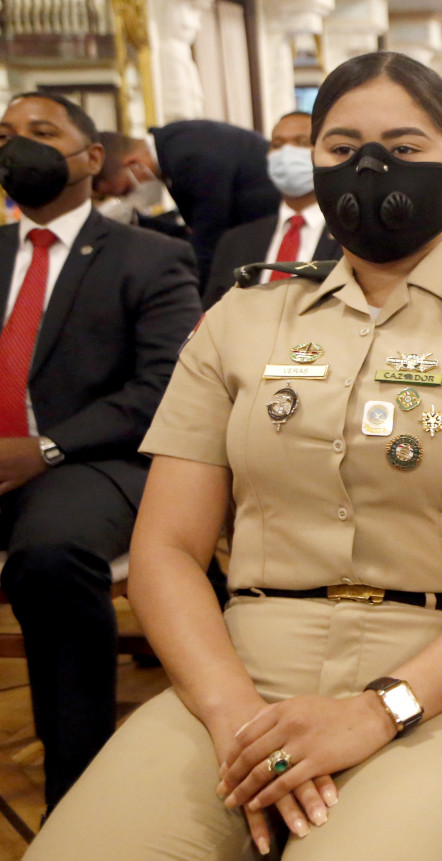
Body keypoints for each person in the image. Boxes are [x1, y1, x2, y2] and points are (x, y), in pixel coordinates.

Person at [0, 51, 442, 861]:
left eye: (402, 145)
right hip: (238, 674)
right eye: (343, 146)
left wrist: (376, 709)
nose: (370, 166)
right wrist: (232, 712)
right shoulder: (243, 317)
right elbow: (165, 549)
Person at [0, 92, 199, 815]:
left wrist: (46, 448)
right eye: (6, 133)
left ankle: (75, 796)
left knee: (51, 555)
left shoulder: (150, 256)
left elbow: (163, 387)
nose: (17, 145)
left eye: (40, 131)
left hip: (96, 462)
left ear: (91, 158)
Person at [94, 119, 281, 287]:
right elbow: (194, 232)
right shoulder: (173, 143)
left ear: (134, 164)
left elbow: (208, 244)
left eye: (126, 190)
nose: (129, 198)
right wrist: (137, 222)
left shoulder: (191, 159)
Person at [203, 111, 342, 308]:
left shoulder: (353, 238)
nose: (286, 153)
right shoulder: (235, 241)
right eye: (277, 144)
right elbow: (212, 314)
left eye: (302, 142)